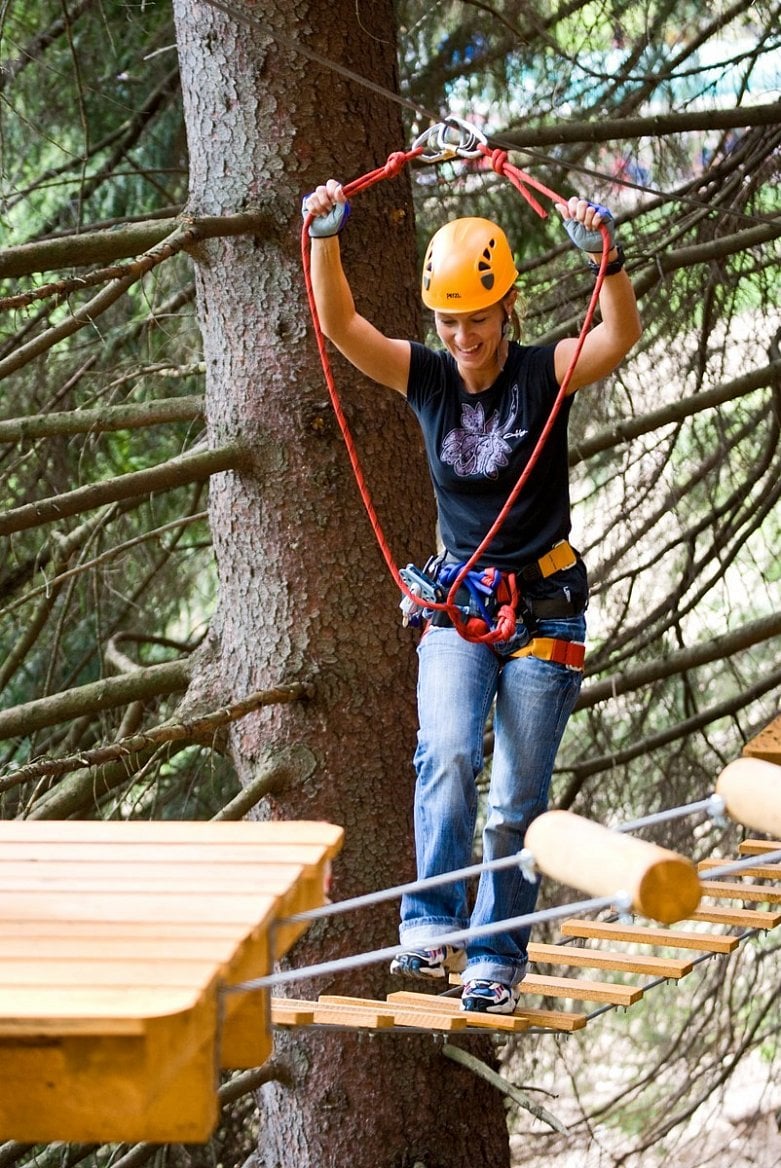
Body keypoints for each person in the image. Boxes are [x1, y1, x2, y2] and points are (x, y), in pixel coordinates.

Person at [303, 181, 642, 1013]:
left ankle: (495, 957)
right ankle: (428, 927)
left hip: (544, 607)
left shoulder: (542, 372)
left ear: (506, 309)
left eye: (476, 319)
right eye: (448, 321)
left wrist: (611, 259)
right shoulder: (427, 379)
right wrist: (322, 239)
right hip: (459, 607)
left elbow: (618, 337)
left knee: (516, 798)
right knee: (448, 754)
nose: (462, 337)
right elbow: (341, 327)